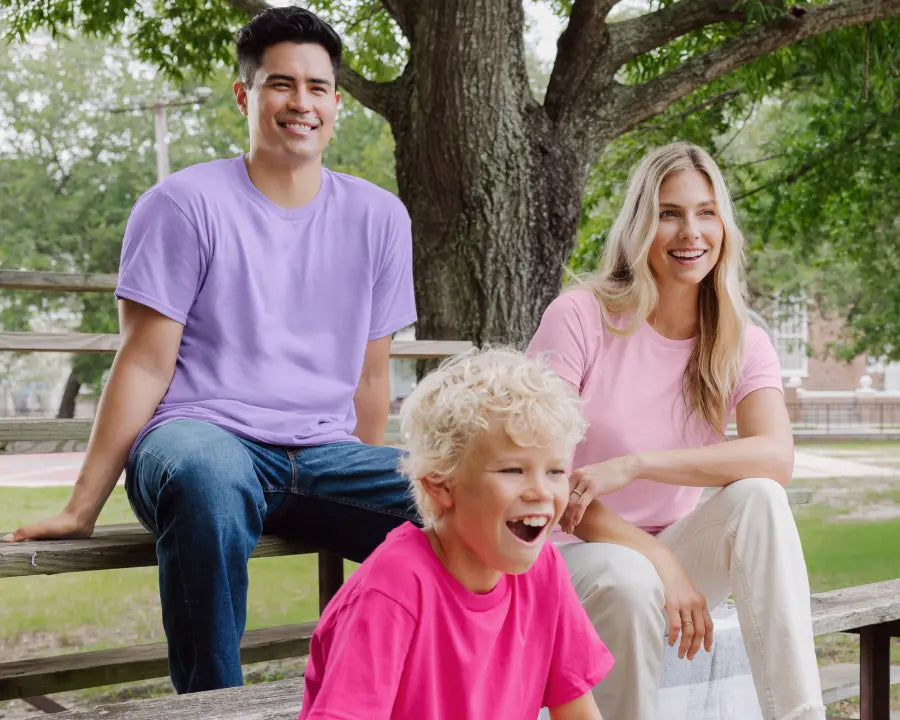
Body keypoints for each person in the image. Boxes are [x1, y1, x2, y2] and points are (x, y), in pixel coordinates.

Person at [2, 6, 418, 694]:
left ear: (337, 104)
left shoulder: (379, 218)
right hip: (204, 440)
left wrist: (358, 480)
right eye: (281, 84)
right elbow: (142, 362)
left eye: (317, 88)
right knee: (206, 475)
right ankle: (213, 705)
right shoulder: (183, 204)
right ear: (244, 96)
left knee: (466, 499)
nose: (301, 103)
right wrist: (83, 505)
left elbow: (371, 375)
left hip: (320, 454)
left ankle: (406, 694)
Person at [527, 142, 825, 720]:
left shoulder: (739, 339)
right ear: (641, 225)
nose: (690, 231)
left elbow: (775, 458)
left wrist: (637, 465)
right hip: (579, 556)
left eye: (706, 212)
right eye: (669, 213)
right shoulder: (580, 317)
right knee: (630, 578)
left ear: (723, 226)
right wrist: (659, 562)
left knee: (760, 496)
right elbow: (544, 481)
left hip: (678, 555)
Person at [298, 348, 614, 720]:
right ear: (441, 486)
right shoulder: (392, 588)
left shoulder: (544, 569)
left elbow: (577, 709)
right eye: (513, 470)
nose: (541, 491)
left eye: (556, 472)